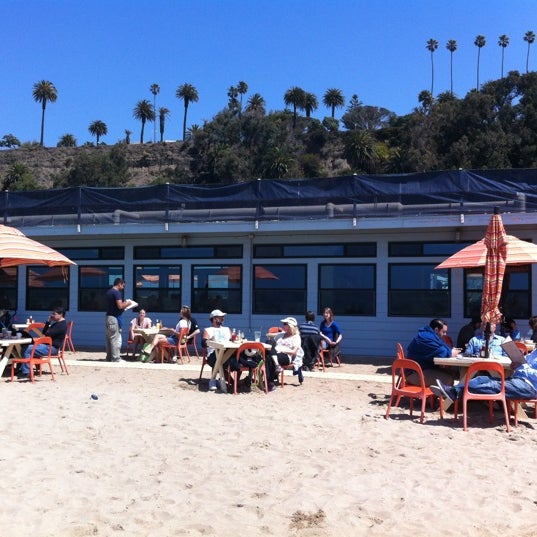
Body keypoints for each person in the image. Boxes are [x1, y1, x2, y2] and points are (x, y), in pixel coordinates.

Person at [431, 348, 537, 410]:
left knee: (494, 386)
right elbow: (525, 362)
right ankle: (454, 391)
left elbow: (529, 370)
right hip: (519, 380)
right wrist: (517, 361)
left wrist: (522, 366)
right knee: (483, 379)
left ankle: (454, 392)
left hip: (530, 386)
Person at [406, 318, 461, 386]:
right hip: (414, 373)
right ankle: (447, 396)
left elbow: (444, 347)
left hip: (424, 369)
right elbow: (443, 352)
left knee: (454, 373)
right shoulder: (425, 338)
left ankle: (443, 394)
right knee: (448, 379)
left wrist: (450, 350)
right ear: (436, 330)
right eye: (443, 332)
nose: (445, 334)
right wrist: (451, 352)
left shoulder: (431, 336)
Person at [18, 306, 67, 379]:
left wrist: (49, 323)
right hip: (47, 346)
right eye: (52, 314)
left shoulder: (61, 325)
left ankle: (26, 372)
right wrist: (48, 322)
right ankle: (21, 368)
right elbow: (44, 332)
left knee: (27, 348)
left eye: (54, 314)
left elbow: (47, 333)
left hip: (52, 348)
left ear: (61, 314)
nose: (51, 315)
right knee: (25, 346)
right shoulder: (56, 324)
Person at [266, 317, 304, 391]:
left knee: (269, 357)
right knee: (269, 343)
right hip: (276, 354)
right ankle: (276, 367)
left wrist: (282, 350)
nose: (282, 325)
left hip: (286, 356)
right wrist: (276, 349)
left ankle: (270, 382)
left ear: (290, 326)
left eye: (285, 324)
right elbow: (272, 345)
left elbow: (294, 352)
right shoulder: (280, 335)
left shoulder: (296, 337)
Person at [202, 309, 232, 391]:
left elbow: (232, 339)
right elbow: (203, 343)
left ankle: (218, 380)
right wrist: (209, 340)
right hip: (213, 355)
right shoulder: (208, 330)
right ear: (214, 319)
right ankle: (213, 380)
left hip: (227, 352)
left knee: (240, 355)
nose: (223, 319)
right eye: (221, 317)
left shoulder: (226, 329)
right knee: (218, 355)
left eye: (223, 317)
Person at [105, 278, 133, 363]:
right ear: (119, 284)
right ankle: (116, 358)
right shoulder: (116, 293)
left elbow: (115, 306)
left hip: (108, 317)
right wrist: (128, 303)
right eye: (123, 285)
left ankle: (109, 357)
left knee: (109, 339)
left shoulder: (109, 292)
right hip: (114, 318)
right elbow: (120, 306)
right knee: (115, 339)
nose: (123, 287)